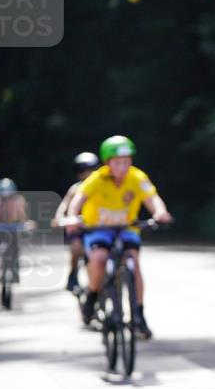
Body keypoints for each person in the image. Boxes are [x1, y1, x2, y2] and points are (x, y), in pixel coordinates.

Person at [66, 135, 172, 338]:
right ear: (108, 163)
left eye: (127, 161)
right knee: (98, 258)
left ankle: (139, 314)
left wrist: (159, 212)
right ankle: (93, 295)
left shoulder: (137, 177)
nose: (123, 167)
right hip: (99, 229)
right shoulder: (97, 178)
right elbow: (79, 198)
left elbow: (152, 198)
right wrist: (72, 217)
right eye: (118, 162)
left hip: (126, 228)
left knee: (133, 261)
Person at [52, 152, 100, 292]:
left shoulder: (101, 187)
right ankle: (73, 275)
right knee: (76, 247)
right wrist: (59, 217)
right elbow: (64, 204)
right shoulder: (75, 188)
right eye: (83, 170)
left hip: (98, 226)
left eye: (91, 169)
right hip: (79, 226)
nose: (87, 173)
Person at [0, 178, 29, 287]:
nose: (6, 199)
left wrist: (26, 224)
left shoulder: (19, 201)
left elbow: (22, 216)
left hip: (13, 229)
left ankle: (15, 274)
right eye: (4, 196)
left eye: (9, 196)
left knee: (15, 250)